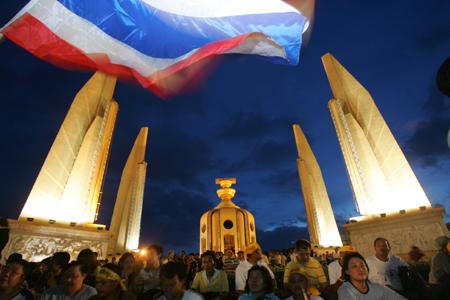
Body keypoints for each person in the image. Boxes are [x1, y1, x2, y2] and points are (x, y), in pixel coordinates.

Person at [337, 252, 406, 299]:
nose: (360, 269)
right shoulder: (345, 290)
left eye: (362, 265)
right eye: (354, 266)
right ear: (347, 271)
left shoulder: (377, 287)